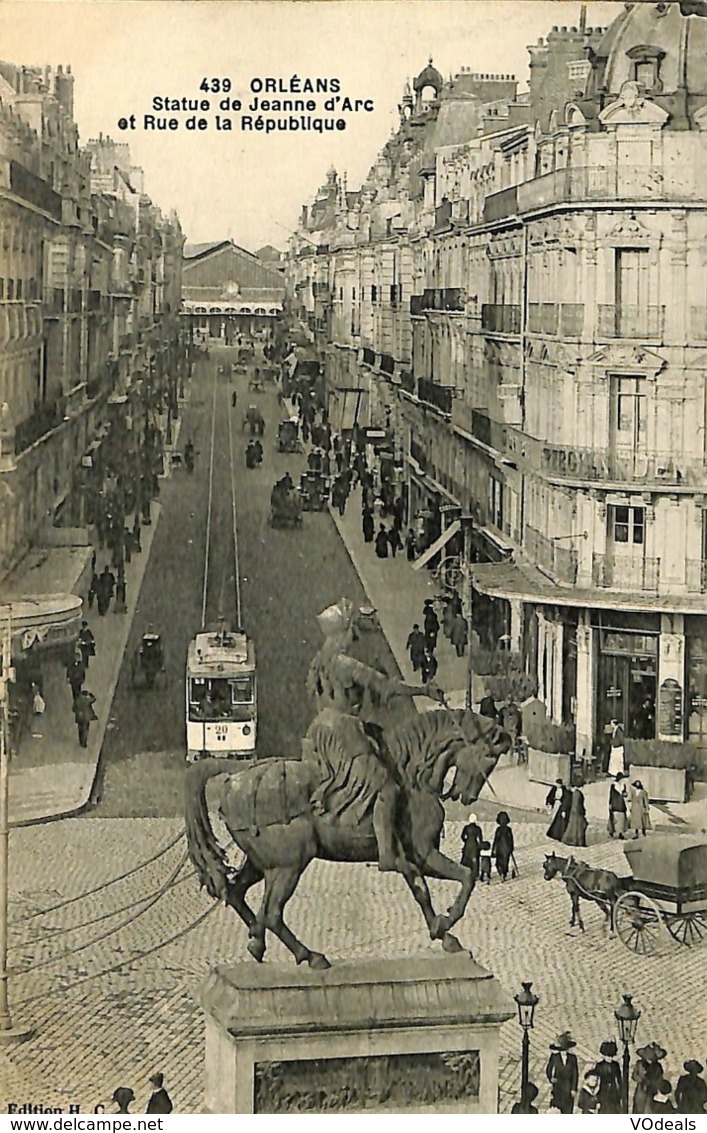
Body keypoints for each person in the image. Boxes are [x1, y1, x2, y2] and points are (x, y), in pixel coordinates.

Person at [546, 1032, 579, 1114]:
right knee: (557, 1107)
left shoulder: (572, 1058)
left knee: (568, 1108)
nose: (564, 1052)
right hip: (558, 1086)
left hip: (568, 1087)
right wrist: (551, 1078)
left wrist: (574, 1088)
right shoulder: (555, 1057)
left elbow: (575, 1073)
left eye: (565, 1050)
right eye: (562, 1051)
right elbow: (549, 1069)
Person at [586, 1040, 623, 1114]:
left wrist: (620, 1093)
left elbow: (619, 1080)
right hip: (603, 1091)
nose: (610, 1058)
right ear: (604, 1055)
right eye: (608, 1056)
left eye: (611, 1056)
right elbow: (595, 1079)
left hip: (613, 1092)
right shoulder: (599, 1066)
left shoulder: (615, 1065)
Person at [633, 1043, 668, 1114]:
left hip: (652, 1091)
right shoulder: (639, 1064)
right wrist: (641, 1079)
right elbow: (634, 1076)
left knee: (649, 1110)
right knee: (639, 1109)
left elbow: (659, 1078)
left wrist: (654, 1085)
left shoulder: (657, 1066)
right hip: (641, 1091)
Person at [491, 811, 514, 881]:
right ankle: (504, 874)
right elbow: (511, 840)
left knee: (498, 863)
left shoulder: (498, 830)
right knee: (505, 862)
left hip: (499, 848)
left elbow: (495, 840)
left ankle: (501, 873)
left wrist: (493, 849)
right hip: (506, 848)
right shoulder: (508, 829)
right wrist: (511, 848)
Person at [608, 773, 628, 839]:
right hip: (615, 804)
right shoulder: (613, 786)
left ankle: (620, 833)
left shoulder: (623, 786)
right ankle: (612, 831)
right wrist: (610, 803)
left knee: (621, 819)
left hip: (621, 804)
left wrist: (625, 794)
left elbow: (625, 794)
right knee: (614, 819)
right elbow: (611, 795)